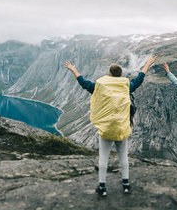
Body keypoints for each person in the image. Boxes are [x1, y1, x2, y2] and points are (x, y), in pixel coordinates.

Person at [64, 55, 158, 197]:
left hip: (106, 128)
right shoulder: (126, 86)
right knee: (123, 157)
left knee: (103, 158)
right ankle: (126, 185)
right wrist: (148, 64)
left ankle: (102, 187)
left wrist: (73, 70)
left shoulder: (100, 86)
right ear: (120, 75)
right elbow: (139, 79)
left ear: (109, 74)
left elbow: (84, 83)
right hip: (121, 127)